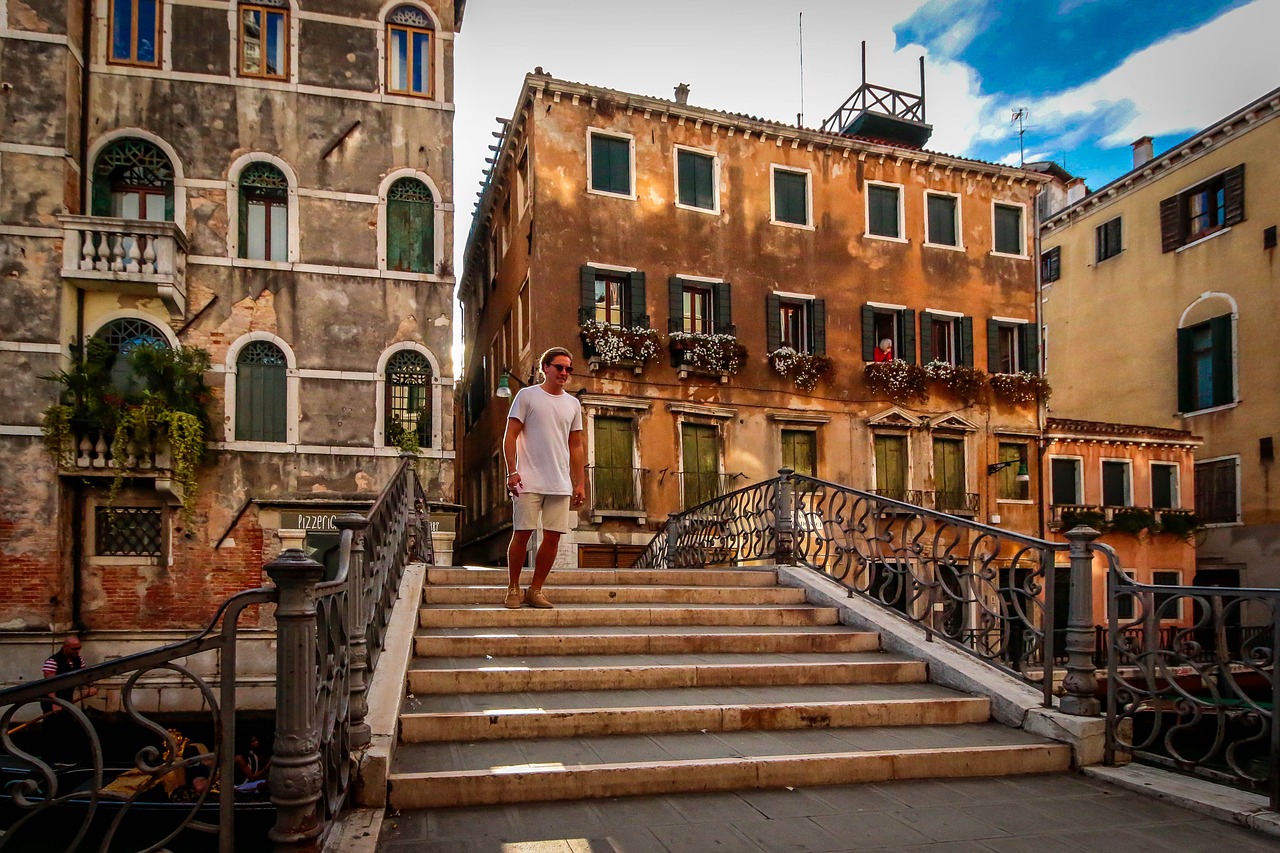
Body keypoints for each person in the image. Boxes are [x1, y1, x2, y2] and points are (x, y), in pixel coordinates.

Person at [502, 347, 585, 609]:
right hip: (528, 479)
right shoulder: (527, 396)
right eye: (559, 367)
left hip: (560, 482)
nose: (564, 373)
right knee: (522, 534)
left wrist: (580, 482)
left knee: (553, 538)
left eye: (568, 369)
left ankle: (535, 589)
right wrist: (511, 471)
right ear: (545, 368)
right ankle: (513, 587)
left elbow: (576, 446)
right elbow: (510, 436)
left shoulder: (573, 404)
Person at [40, 635, 95, 764]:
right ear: (65, 647)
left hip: (66, 698)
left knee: (66, 726)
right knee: (52, 728)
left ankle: (63, 757)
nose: (77, 651)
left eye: (79, 648)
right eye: (74, 649)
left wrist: (91, 686)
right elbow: (49, 685)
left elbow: (84, 674)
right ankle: (49, 759)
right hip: (50, 699)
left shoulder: (78, 659)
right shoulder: (52, 662)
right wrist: (55, 703)